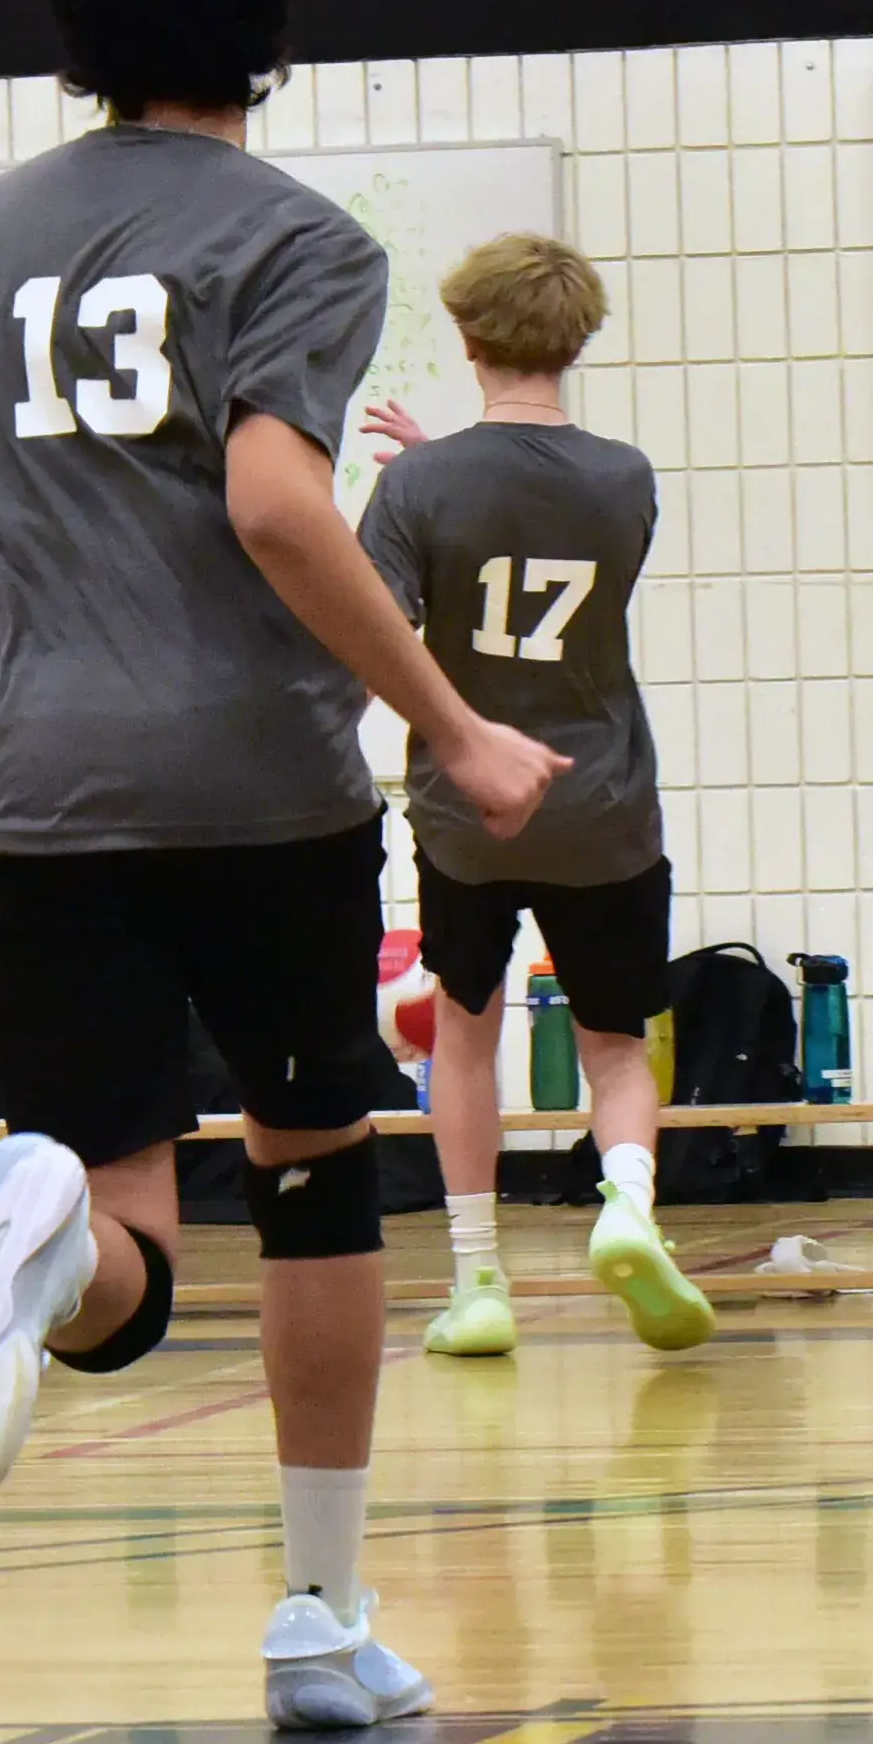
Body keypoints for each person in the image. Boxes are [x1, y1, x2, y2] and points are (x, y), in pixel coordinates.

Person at [0, 0, 563, 1732]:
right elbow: (276, 501)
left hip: (21, 796)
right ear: (268, 32)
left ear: (75, 24)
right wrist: (460, 723)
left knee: (126, 1232)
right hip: (257, 792)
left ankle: (42, 1232)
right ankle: (321, 1617)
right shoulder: (298, 242)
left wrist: (27, 663)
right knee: (319, 1179)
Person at [353, 232, 694, 1362]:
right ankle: (632, 1208)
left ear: (465, 334)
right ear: (580, 337)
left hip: (467, 807)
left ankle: (479, 1278)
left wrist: (417, 476)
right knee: (614, 1038)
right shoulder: (629, 475)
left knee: (464, 1033)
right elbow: (539, 515)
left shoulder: (421, 484)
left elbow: (378, 623)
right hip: (602, 799)